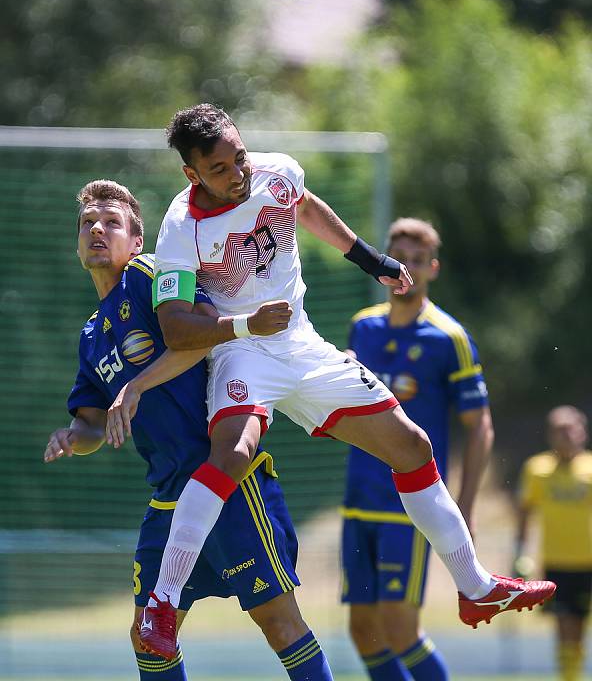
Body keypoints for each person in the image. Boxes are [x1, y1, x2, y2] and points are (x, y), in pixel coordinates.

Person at [111, 103, 554, 659]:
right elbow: (177, 328)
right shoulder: (182, 226)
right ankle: (161, 606)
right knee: (232, 453)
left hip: (302, 346)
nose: (239, 174)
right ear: (192, 174)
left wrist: (374, 262)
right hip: (240, 351)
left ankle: (475, 587)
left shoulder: (276, 172)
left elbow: (304, 208)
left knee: (413, 447)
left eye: (240, 158)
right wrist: (245, 322)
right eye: (221, 169)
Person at [44, 179, 335, 680]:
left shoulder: (151, 272)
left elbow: (202, 334)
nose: (97, 229)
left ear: (136, 240)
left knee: (279, 624)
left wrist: (135, 386)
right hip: (167, 496)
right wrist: (73, 437)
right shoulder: (92, 333)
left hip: (225, 482)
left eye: (112, 222)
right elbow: (91, 420)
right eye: (88, 223)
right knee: (149, 640)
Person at [340, 217, 495, 681]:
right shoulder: (361, 328)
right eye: (397, 257)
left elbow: (479, 424)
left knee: (399, 629)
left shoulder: (448, 338)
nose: (404, 267)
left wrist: (462, 505)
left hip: (409, 509)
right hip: (359, 501)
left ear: (432, 268)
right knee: (363, 632)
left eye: (415, 260)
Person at [515, 405, 592, 681]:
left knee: (579, 628)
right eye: (559, 430)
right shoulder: (537, 468)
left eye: (571, 428)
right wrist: (520, 552)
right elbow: (525, 512)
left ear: (582, 431)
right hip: (558, 562)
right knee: (565, 630)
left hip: (589, 561)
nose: (566, 435)